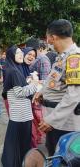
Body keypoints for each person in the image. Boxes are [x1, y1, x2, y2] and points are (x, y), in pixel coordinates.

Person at [33, 19, 80, 156]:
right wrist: (42, 91)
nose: (48, 42)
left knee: (62, 158)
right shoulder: (62, 57)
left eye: (47, 38)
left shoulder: (74, 58)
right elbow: (54, 80)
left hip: (64, 124)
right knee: (53, 154)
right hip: (55, 120)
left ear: (53, 37)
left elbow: (74, 95)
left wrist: (52, 120)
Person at [1, 45, 38, 167]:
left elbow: (16, 89)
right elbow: (20, 92)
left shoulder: (14, 68)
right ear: (11, 56)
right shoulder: (14, 71)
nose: (21, 55)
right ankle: (18, 162)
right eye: (17, 53)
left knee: (15, 141)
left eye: (21, 52)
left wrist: (29, 83)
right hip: (21, 113)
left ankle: (15, 162)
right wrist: (35, 84)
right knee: (20, 141)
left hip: (19, 113)